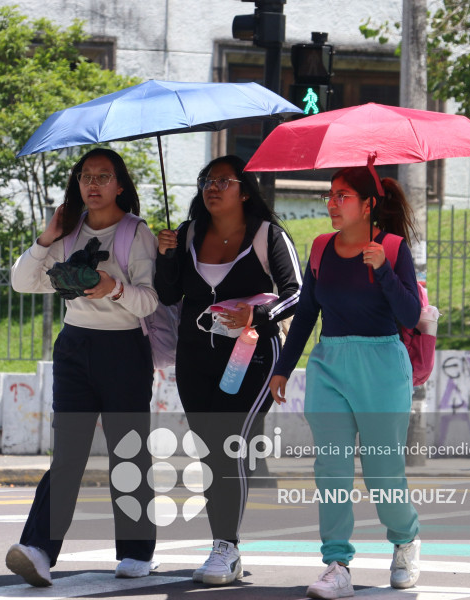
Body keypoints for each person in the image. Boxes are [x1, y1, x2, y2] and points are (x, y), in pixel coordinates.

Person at [7, 148, 158, 586]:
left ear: (120, 186)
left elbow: (150, 301)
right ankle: (37, 549)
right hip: (74, 348)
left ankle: (136, 550)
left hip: (125, 350)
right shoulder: (67, 235)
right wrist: (46, 238)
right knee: (68, 454)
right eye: (86, 176)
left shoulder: (136, 233)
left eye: (103, 176)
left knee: (128, 451)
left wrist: (113, 289)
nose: (93, 184)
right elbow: (22, 283)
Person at [269, 167, 422, 599]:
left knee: (381, 472)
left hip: (382, 368)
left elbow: (410, 317)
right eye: (330, 196)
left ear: (368, 204)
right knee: (331, 469)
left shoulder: (391, 248)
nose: (333, 203)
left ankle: (405, 540)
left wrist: (384, 271)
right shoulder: (320, 248)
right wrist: (283, 366)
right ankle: (336, 565)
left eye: (343, 195)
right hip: (330, 364)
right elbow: (306, 314)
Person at [154, 155, 302, 586]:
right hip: (195, 356)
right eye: (206, 180)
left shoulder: (268, 235)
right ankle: (224, 545)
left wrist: (256, 316)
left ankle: (226, 547)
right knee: (211, 450)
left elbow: (298, 294)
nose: (211, 187)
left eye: (222, 180)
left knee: (229, 444)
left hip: (253, 356)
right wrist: (166, 255)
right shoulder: (188, 234)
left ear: (245, 190)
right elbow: (167, 295)